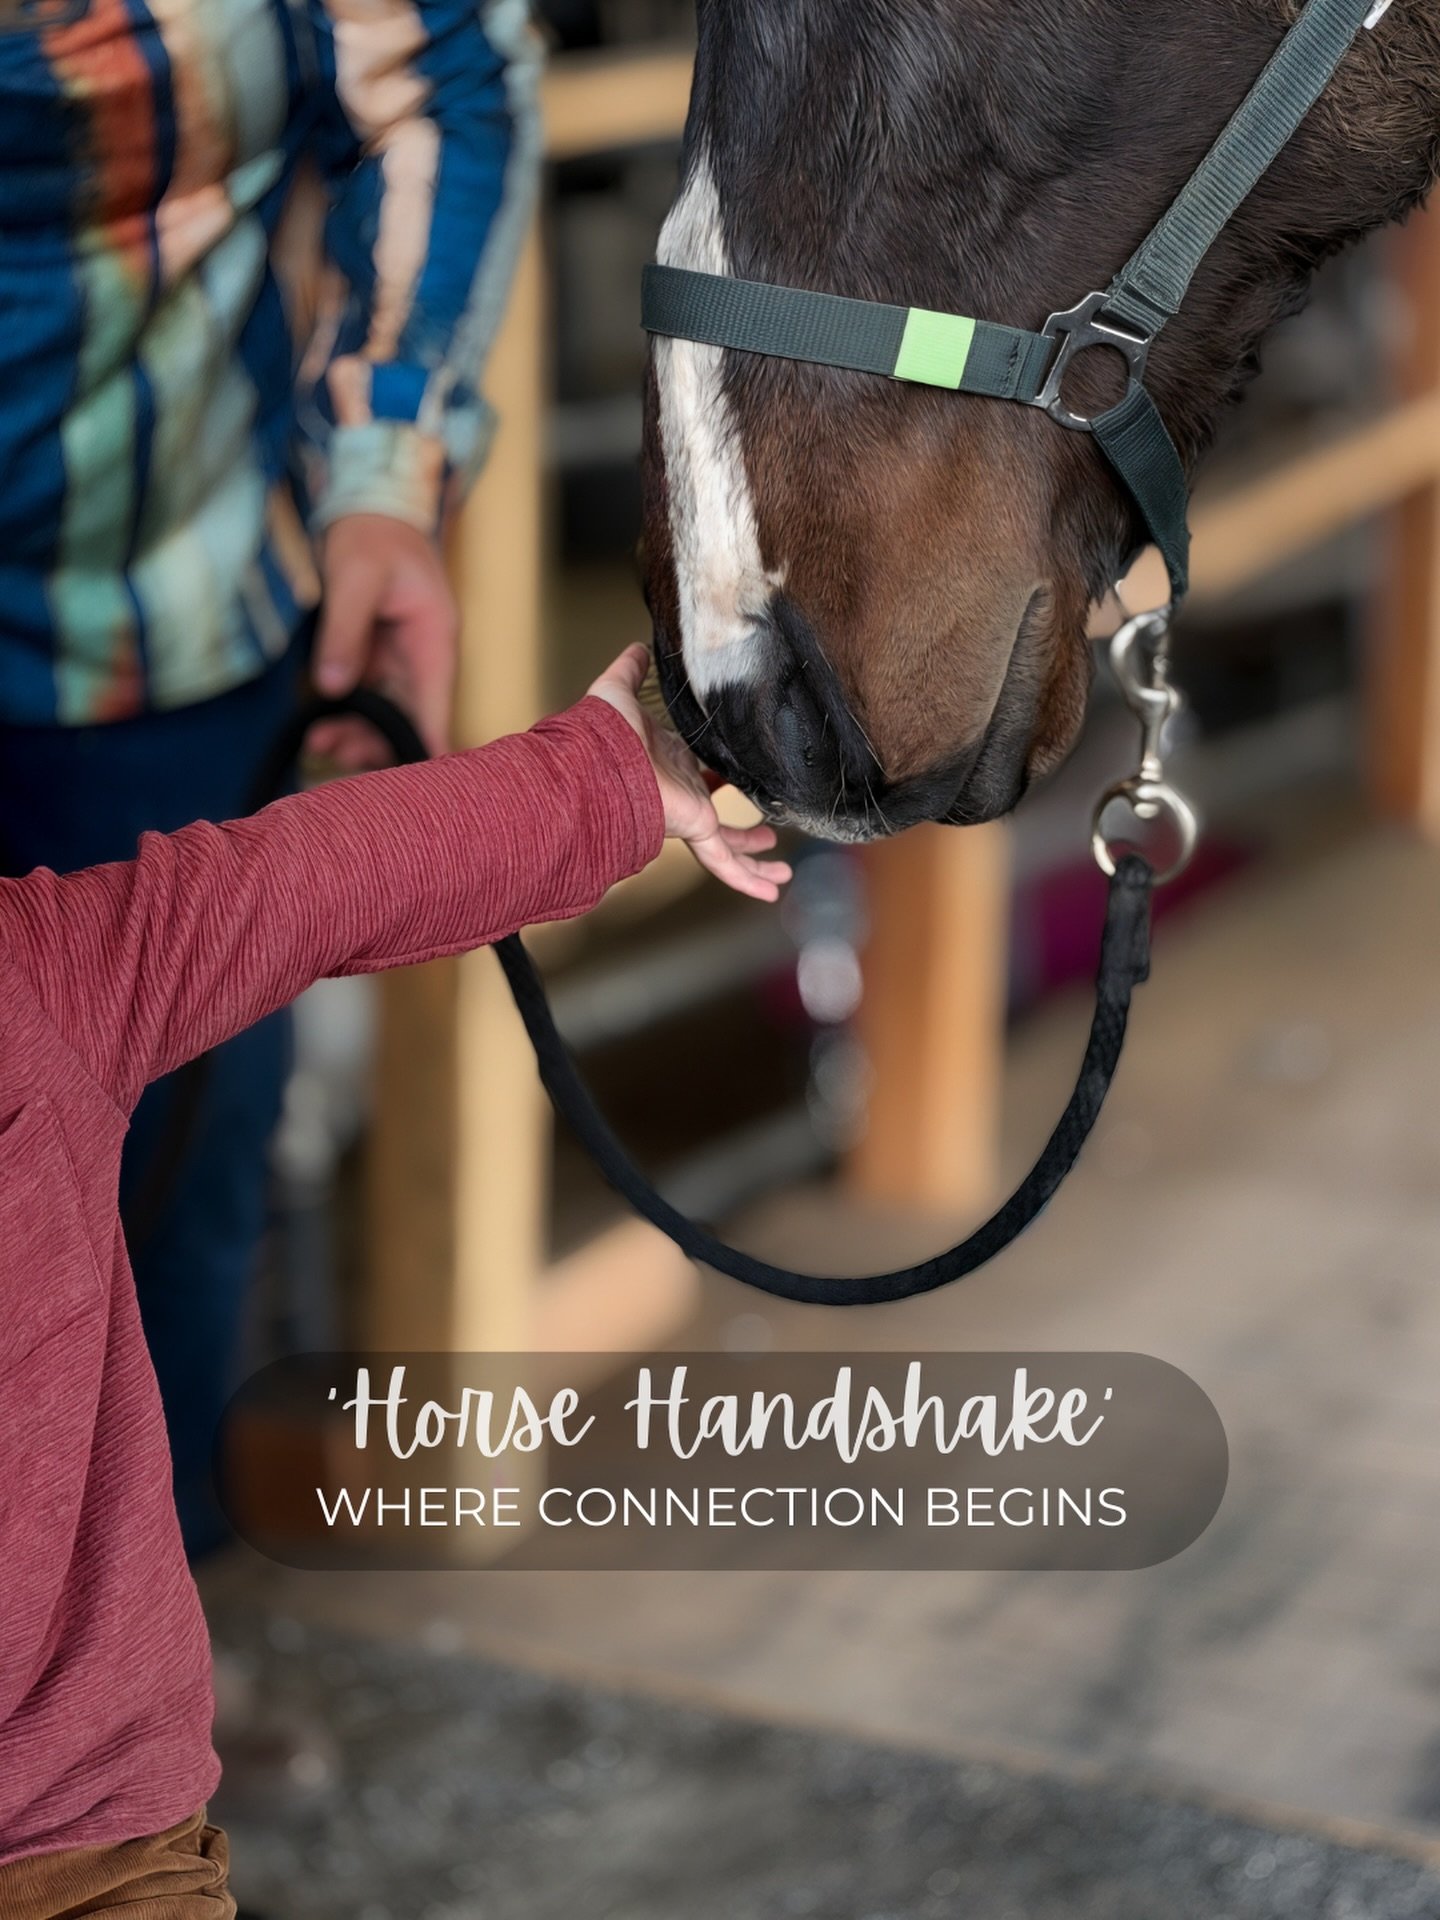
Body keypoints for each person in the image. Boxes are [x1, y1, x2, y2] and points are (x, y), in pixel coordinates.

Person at [0, 642, 791, 1911]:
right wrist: (607, 777)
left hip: (84, 1838)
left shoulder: (36, 980)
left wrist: (599, 782)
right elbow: (296, 888)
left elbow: (308, 881)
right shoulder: (35, 979)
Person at [0, 0, 545, 1555]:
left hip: (158, 613)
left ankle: (138, 1743)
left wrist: (385, 481)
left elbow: (438, 81)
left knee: (159, 1211)